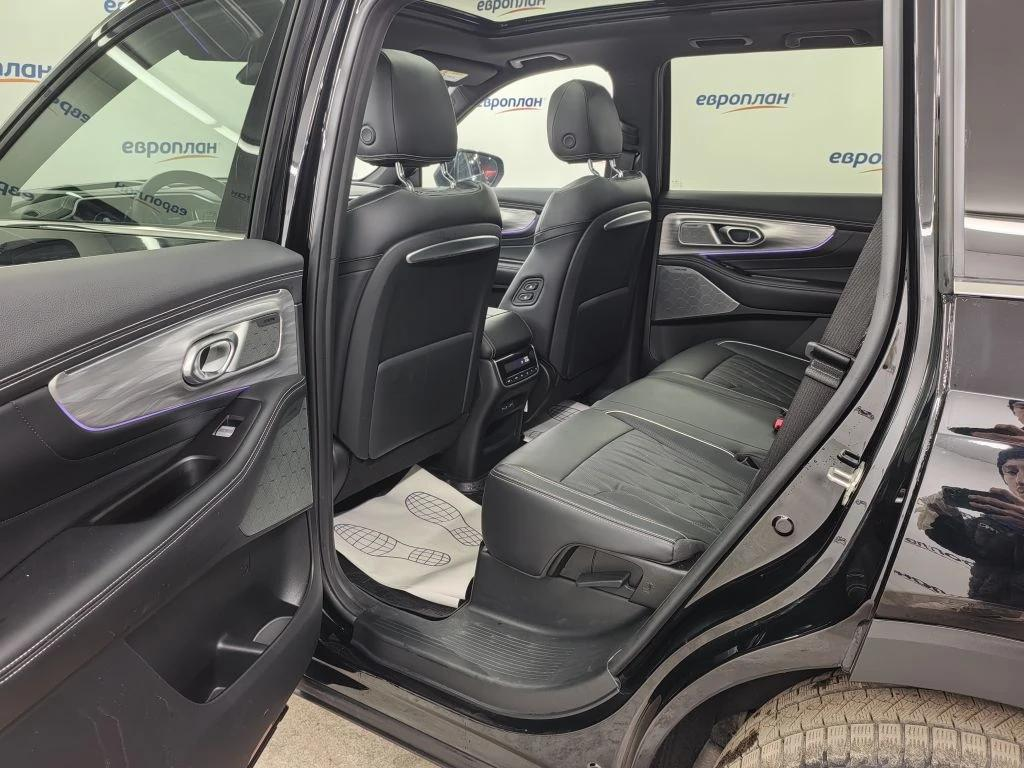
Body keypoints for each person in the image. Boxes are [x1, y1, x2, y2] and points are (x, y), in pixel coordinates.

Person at [917, 446, 1024, 608]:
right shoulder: (992, 519)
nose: (1020, 480)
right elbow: (969, 545)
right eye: (1012, 472)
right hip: (983, 606)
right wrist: (942, 517)